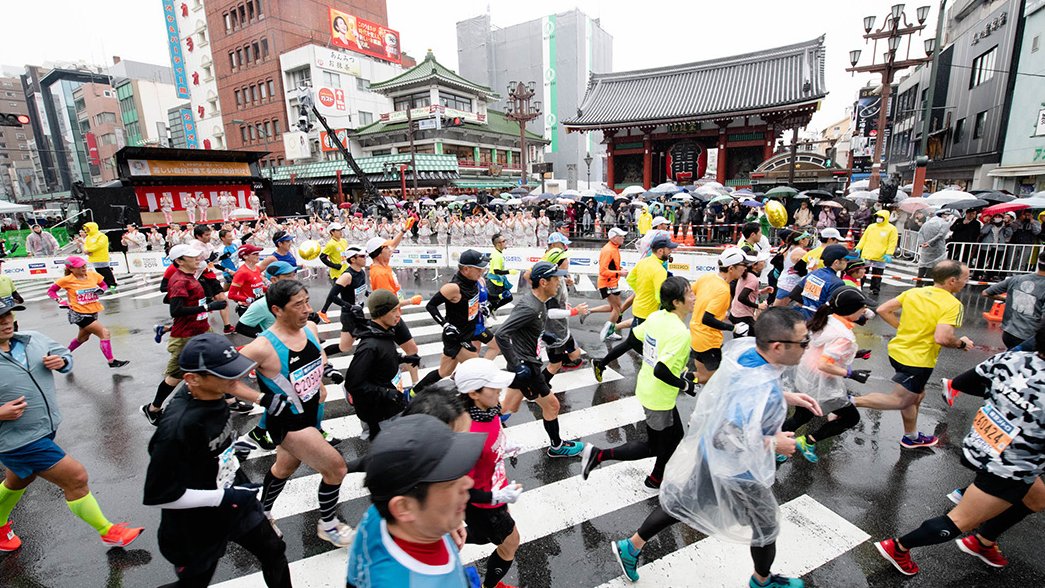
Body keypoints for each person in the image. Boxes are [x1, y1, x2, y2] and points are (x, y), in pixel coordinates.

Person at [610, 308, 820, 587]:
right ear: (778, 346)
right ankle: (762, 580)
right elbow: (727, 434)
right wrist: (774, 442)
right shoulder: (760, 383)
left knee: (684, 504)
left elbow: (740, 391)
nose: (807, 347)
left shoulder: (750, 353)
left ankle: (631, 547)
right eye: (803, 342)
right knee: (767, 527)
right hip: (738, 471)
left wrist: (787, 395)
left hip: (713, 458)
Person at [873, 325, 1045, 576]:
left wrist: (1009, 399)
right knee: (961, 521)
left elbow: (967, 382)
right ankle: (899, 547)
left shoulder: (1013, 358)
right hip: (1010, 468)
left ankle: (984, 541)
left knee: (1038, 499)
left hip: (982, 444)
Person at [143, 334, 291, 588]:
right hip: (195, 522)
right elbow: (160, 494)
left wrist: (239, 479)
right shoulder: (177, 427)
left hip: (236, 502)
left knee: (274, 551)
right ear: (192, 379)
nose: (236, 378)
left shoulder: (213, 393)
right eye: (225, 374)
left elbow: (218, 449)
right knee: (195, 583)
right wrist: (226, 498)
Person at [0, 301, 143, 552]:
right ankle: (108, 531)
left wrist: (61, 361)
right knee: (75, 477)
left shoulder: (33, 339)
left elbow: (66, 356)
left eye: (7, 314)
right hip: (17, 439)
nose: (5, 321)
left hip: (45, 428)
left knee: (19, 480)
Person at [238, 279, 354, 546]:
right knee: (336, 468)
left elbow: (318, 355)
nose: (306, 309)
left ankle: (261, 512)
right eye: (298, 305)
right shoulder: (262, 347)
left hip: (311, 414)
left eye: (306, 302)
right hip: (288, 422)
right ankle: (328, 525)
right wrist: (261, 398)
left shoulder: (309, 328)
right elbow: (225, 381)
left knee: (284, 467)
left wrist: (327, 371)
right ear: (277, 310)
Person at [582, 276, 697, 492]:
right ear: (676, 302)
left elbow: (633, 340)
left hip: (649, 388)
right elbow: (661, 369)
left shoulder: (656, 317)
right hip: (659, 397)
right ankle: (598, 455)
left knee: (676, 436)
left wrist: (662, 362)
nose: (694, 297)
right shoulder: (681, 334)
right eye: (689, 293)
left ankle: (656, 479)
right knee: (655, 446)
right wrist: (685, 385)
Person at [346, 414, 485, 588]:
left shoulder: (381, 515)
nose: (468, 483)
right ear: (404, 507)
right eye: (450, 483)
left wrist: (444, 519)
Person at [853, 260, 973, 448]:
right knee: (900, 400)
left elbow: (884, 309)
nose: (967, 282)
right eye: (965, 279)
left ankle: (912, 436)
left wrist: (902, 328)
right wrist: (961, 344)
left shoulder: (915, 292)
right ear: (951, 281)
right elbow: (943, 338)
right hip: (917, 360)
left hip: (898, 352)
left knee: (916, 395)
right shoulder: (953, 304)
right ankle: (847, 403)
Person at [495, 261, 587, 458]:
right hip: (526, 366)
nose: (559, 283)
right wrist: (516, 365)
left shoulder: (540, 302)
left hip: (530, 362)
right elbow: (501, 334)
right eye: (556, 279)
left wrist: (544, 337)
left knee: (509, 406)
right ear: (544, 282)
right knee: (552, 405)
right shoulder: (530, 306)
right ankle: (556, 446)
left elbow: (526, 328)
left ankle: (482, 435)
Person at [778, 287, 871, 464]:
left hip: (804, 376)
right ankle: (807, 441)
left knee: (803, 416)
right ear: (851, 310)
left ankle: (773, 445)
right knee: (851, 418)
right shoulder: (844, 335)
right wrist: (851, 373)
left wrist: (856, 354)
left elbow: (821, 348)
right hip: (820, 384)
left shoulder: (827, 319)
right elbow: (825, 364)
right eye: (862, 308)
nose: (864, 311)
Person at [454, 358, 525, 588]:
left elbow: (494, 427)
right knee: (511, 543)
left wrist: (504, 444)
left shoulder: (486, 409)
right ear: (473, 393)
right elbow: (459, 488)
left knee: (486, 536)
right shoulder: (467, 435)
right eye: (493, 387)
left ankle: (447, 536)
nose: (499, 391)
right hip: (484, 504)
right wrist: (497, 498)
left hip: (495, 487)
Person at [142, 244, 230, 425]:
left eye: (198, 256)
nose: (198, 259)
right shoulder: (180, 280)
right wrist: (208, 307)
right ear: (179, 261)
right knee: (175, 376)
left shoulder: (190, 276)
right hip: (185, 337)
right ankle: (153, 409)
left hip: (202, 329)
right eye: (193, 257)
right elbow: (176, 310)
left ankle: (228, 399)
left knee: (215, 363)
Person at [592, 235, 678, 383]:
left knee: (634, 343)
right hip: (647, 314)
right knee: (640, 344)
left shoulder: (644, 262)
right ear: (660, 251)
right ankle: (660, 371)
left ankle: (601, 364)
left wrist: (643, 291)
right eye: (669, 249)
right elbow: (660, 297)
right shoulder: (659, 270)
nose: (671, 252)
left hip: (640, 309)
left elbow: (631, 279)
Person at [414, 250, 497, 393]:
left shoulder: (474, 282)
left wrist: (481, 308)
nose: (482, 271)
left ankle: (412, 393)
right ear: (466, 269)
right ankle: (481, 407)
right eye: (479, 268)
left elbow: (468, 303)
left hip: (470, 331)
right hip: (457, 337)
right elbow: (431, 306)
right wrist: (445, 324)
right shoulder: (453, 288)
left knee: (444, 372)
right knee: (478, 371)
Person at [345, 289, 420, 440]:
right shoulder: (369, 346)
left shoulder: (383, 333)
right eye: (394, 311)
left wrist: (403, 358)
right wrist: (386, 393)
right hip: (378, 414)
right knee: (386, 452)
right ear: (381, 312)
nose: (398, 315)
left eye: (398, 309)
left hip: (389, 407)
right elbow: (353, 384)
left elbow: (381, 360)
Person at [46, 256, 129, 368]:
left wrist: (101, 290)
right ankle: (111, 361)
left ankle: (63, 354)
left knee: (83, 338)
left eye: (84, 265)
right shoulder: (66, 280)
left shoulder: (93, 275)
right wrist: (60, 300)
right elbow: (51, 291)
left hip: (93, 311)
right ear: (71, 268)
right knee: (104, 333)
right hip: (79, 314)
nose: (84, 268)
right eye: (80, 267)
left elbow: (104, 285)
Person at [690, 248, 752, 383]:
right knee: (717, 381)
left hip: (696, 335)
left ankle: (681, 380)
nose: (746, 269)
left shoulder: (707, 277)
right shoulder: (723, 290)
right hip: (708, 341)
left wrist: (719, 314)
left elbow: (691, 295)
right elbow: (707, 319)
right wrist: (734, 328)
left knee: (702, 375)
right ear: (731, 268)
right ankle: (677, 381)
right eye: (743, 265)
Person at [981, 258, 1045, 349]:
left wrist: (1007, 299)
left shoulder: (1017, 279)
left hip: (1008, 333)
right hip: (1029, 338)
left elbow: (986, 293)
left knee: (1012, 360)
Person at [319, 245, 368, 355]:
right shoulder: (347, 276)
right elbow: (332, 296)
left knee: (344, 347)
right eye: (362, 256)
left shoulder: (361, 272)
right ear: (353, 259)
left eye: (365, 256)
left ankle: (321, 355)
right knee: (368, 338)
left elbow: (360, 288)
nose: (365, 258)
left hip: (358, 312)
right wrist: (349, 306)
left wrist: (369, 294)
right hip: (349, 316)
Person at [786, 244, 850, 319]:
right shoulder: (837, 283)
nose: (847, 262)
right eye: (846, 259)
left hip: (800, 315)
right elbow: (830, 308)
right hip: (816, 320)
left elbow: (794, 294)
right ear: (836, 262)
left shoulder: (814, 273)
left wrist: (809, 305)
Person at [192, 224, 234, 334]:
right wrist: (208, 260)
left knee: (223, 299)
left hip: (210, 275)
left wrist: (220, 258)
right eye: (206, 235)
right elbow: (195, 264)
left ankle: (227, 326)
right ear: (198, 236)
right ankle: (200, 329)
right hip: (198, 277)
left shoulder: (209, 245)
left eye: (209, 234)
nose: (209, 237)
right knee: (203, 304)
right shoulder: (193, 247)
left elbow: (212, 262)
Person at [593, 227, 630, 341]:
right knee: (617, 309)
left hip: (612, 282)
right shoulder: (608, 250)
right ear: (613, 238)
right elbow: (603, 271)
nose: (623, 238)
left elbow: (612, 266)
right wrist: (620, 272)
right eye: (621, 236)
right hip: (607, 283)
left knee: (615, 308)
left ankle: (589, 312)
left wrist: (620, 269)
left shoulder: (614, 248)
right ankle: (608, 332)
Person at [854, 210, 898, 296]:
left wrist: (889, 253)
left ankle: (875, 289)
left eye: (881, 217)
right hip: (867, 253)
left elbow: (892, 242)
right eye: (878, 217)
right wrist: (858, 248)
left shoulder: (891, 229)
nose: (879, 219)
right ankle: (860, 287)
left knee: (877, 274)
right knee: (863, 272)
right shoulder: (871, 227)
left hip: (881, 255)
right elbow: (864, 238)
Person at [730, 250, 772, 333]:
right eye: (762, 261)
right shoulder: (753, 279)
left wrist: (760, 291)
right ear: (754, 266)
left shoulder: (746, 274)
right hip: (744, 316)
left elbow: (743, 291)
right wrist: (758, 306)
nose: (764, 263)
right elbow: (741, 297)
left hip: (735, 313)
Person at [772, 231, 812, 307]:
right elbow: (810, 266)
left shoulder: (788, 248)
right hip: (791, 283)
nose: (808, 240)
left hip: (785, 281)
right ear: (801, 240)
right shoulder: (801, 252)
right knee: (777, 310)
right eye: (807, 238)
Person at [227, 244, 266, 316]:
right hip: (247, 310)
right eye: (255, 254)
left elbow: (256, 287)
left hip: (258, 306)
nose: (258, 255)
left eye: (258, 253)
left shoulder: (257, 268)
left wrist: (269, 289)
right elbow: (231, 295)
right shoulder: (242, 272)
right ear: (245, 256)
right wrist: (247, 299)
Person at [486, 233, 520, 313]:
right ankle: (488, 313)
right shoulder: (497, 255)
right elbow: (496, 271)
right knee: (494, 300)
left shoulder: (498, 253)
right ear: (499, 243)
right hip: (494, 283)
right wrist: (510, 272)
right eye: (504, 241)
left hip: (499, 281)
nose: (505, 242)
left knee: (508, 297)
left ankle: (493, 309)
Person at [917, 209, 954, 281]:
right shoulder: (945, 223)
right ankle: (928, 282)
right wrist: (929, 243)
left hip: (925, 248)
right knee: (933, 266)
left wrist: (922, 243)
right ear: (943, 215)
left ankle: (919, 282)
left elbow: (920, 232)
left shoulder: (928, 222)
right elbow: (941, 235)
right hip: (937, 248)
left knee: (922, 265)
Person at [81, 222, 117, 290]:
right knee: (98, 271)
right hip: (93, 257)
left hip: (101, 256)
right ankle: (104, 283)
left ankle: (112, 283)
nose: (86, 230)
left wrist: (89, 250)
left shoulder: (101, 236)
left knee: (105, 270)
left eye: (87, 228)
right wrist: (86, 251)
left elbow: (99, 245)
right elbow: (86, 245)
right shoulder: (88, 237)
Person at [319, 222, 349, 286]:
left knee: (348, 294)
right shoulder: (330, 244)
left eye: (341, 230)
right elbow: (322, 257)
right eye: (338, 230)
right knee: (335, 294)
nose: (340, 232)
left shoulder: (344, 241)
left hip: (346, 271)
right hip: (337, 274)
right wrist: (334, 266)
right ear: (332, 232)